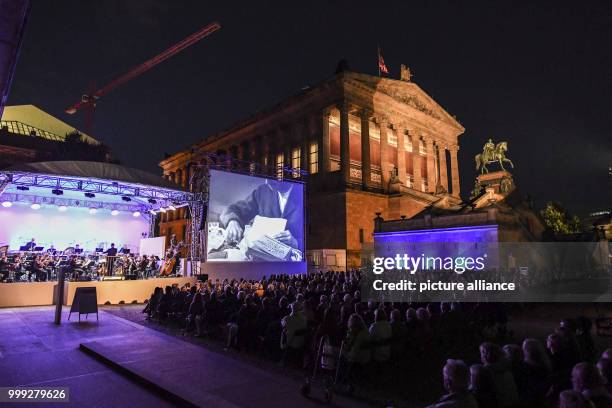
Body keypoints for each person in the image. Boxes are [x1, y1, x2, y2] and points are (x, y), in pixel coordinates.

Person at [220, 179, 304, 252]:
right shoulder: (263, 191)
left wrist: (296, 243)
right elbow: (233, 209)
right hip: (264, 258)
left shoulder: (304, 193)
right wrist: (232, 221)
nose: (267, 182)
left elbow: (315, 238)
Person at [479, 342, 520, 408]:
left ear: (485, 355)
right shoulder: (507, 370)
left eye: (481, 353)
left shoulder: (485, 372)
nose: (480, 355)